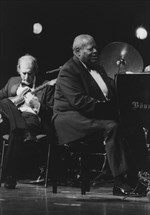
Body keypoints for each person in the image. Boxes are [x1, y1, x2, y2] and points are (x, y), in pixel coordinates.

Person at [53, 34, 150, 196]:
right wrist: (111, 110)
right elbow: (80, 102)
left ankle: (141, 176)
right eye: (91, 49)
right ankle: (120, 181)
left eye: (96, 47)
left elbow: (113, 89)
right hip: (70, 119)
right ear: (77, 51)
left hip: (90, 114)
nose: (96, 51)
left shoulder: (97, 67)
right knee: (112, 127)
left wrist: (132, 77)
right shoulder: (68, 71)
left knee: (133, 125)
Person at [0, 54, 56, 189]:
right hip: (10, 118)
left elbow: (52, 112)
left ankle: (9, 176)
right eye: (24, 73)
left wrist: (36, 104)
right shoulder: (12, 81)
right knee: (6, 102)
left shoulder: (46, 85)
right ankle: (20, 128)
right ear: (18, 70)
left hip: (30, 119)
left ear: (35, 71)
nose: (26, 77)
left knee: (16, 132)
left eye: (30, 74)